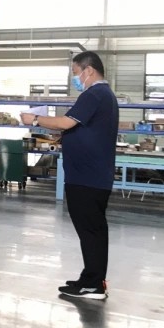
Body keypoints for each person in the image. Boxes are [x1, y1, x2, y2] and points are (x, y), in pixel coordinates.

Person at [21, 51, 117, 300]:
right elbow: (81, 129)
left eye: (76, 73)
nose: (75, 78)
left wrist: (35, 119)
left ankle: (93, 285)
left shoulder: (94, 93)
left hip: (88, 177)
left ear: (89, 70)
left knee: (90, 230)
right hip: (92, 175)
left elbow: (66, 122)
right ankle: (90, 278)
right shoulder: (103, 95)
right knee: (92, 230)